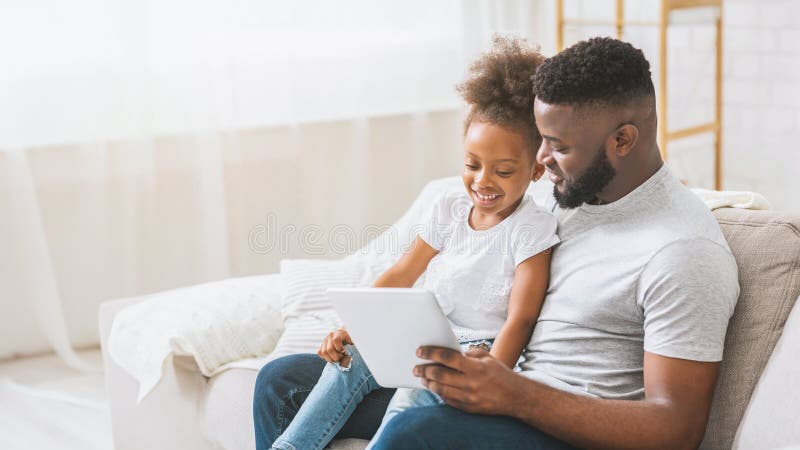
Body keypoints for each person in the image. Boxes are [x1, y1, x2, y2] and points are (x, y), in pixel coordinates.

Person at [254, 36, 740, 450]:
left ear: (624, 139)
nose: (542, 160)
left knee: (416, 430)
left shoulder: (682, 251)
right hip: (491, 390)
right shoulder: (555, 197)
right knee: (283, 383)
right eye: (540, 140)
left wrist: (513, 394)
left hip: (558, 429)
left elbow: (677, 428)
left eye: (559, 146)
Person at [260, 36, 559, 450]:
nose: (483, 181)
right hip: (415, 335)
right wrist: (351, 329)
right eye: (472, 165)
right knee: (348, 363)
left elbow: (520, 319)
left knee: (412, 396)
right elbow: (403, 273)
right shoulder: (448, 209)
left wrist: (493, 378)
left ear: (536, 171)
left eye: (503, 171)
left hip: (469, 356)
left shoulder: (532, 229)